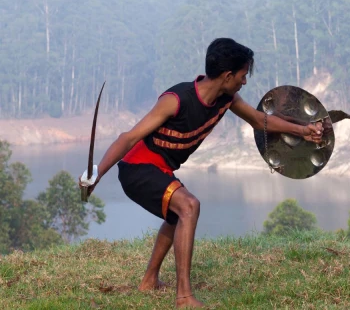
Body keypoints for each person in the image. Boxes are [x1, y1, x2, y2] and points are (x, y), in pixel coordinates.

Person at [79, 38, 324, 308]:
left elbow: (259, 121)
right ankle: (184, 297)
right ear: (228, 75)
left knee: (176, 215)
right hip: (137, 167)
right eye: (243, 76)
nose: (244, 82)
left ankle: (149, 280)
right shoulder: (175, 100)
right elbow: (128, 138)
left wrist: (302, 130)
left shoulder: (226, 98)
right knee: (189, 206)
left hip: (160, 169)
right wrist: (96, 173)